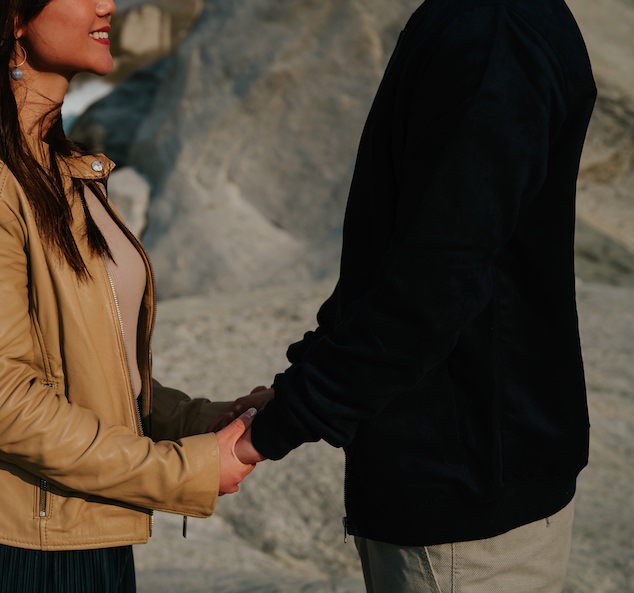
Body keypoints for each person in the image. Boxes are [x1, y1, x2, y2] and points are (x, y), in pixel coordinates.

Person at [0, 1, 256, 591]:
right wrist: (181, 470)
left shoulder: (66, 168)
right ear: (13, 16)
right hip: (17, 552)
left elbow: (85, 370)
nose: (108, 4)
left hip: (87, 534)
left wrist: (201, 420)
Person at [222, 0, 596, 591]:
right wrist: (301, 384)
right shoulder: (478, 21)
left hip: (464, 506)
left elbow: (434, 284)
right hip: (460, 481)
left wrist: (261, 439)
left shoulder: (494, 32)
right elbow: (400, 257)